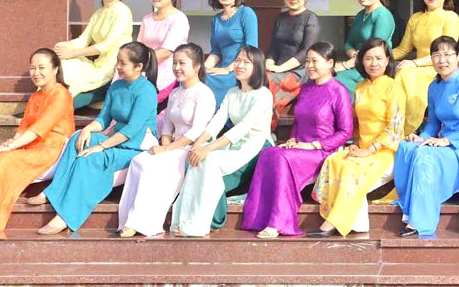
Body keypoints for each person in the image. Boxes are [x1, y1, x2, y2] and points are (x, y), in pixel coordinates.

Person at [35, 42, 159, 234]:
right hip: (115, 139)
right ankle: (53, 192)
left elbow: (133, 129)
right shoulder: (116, 86)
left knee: (90, 157)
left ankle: (65, 216)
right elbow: (104, 118)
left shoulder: (146, 90)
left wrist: (101, 147)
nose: (117, 66)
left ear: (139, 67)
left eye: (123, 63)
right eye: (118, 61)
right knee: (77, 138)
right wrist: (88, 129)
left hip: (135, 145)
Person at [0, 49, 74, 235]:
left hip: (52, 149)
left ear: (55, 69)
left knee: (3, 162)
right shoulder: (36, 96)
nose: (36, 73)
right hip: (31, 145)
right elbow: (24, 128)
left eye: (42, 67)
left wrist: (10, 148)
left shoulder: (61, 94)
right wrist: (6, 145)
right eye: (32, 68)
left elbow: (38, 129)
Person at [243, 42, 352, 238]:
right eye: (307, 61)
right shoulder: (307, 88)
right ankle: (257, 219)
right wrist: (293, 139)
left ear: (330, 63)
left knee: (282, 158)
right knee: (269, 153)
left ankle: (279, 222)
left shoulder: (339, 91)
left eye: (315, 61)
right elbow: (298, 122)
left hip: (322, 150)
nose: (309, 65)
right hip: (299, 147)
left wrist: (314, 145)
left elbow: (345, 132)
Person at [171, 45, 273, 237]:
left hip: (255, 150)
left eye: (246, 62)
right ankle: (188, 220)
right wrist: (198, 145)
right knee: (197, 160)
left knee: (208, 164)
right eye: (237, 60)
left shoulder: (263, 95)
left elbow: (242, 128)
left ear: (257, 66)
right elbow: (216, 122)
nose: (239, 65)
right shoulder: (232, 92)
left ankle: (214, 221)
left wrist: (207, 149)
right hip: (231, 147)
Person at [116, 43, 216, 238]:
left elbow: (197, 130)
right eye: (174, 63)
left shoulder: (204, 94)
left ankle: (143, 223)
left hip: (190, 149)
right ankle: (126, 219)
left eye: (182, 63)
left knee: (152, 166)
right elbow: (168, 124)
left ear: (197, 67)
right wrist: (164, 144)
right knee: (139, 161)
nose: (177, 67)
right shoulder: (175, 93)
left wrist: (168, 149)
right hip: (171, 147)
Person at [311, 38, 405, 238]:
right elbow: (355, 122)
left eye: (379, 58)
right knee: (335, 160)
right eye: (369, 58)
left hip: (385, 152)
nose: (374, 63)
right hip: (362, 148)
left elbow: (394, 128)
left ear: (388, 60)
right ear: (361, 61)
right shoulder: (361, 87)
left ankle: (334, 222)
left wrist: (368, 150)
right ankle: (357, 223)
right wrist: (354, 145)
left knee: (353, 168)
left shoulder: (393, 87)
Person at [394, 36, 459, 238]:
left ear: (458, 57)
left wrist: (448, 140)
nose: (442, 60)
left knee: (425, 158)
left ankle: (420, 222)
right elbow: (433, 123)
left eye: (447, 54)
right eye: (436, 55)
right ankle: (410, 206)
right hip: (442, 142)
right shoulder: (434, 87)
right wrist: (421, 137)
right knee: (407, 148)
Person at [392, 0, 459, 135]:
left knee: (406, 74)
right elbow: (403, 49)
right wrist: (379, 56)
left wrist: (414, 63)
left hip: (439, 67)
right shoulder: (415, 18)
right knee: (401, 73)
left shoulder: (450, 17)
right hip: (416, 68)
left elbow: (446, 52)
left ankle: (407, 129)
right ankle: (396, 127)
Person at [55, 0, 133, 108]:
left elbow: (107, 45)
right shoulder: (98, 14)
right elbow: (82, 40)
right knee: (63, 64)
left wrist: (73, 53)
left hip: (113, 70)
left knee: (67, 102)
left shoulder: (122, 12)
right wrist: (61, 47)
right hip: (97, 66)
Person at [334, 0, 396, 101]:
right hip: (357, 63)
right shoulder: (360, 15)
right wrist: (352, 54)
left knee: (336, 80)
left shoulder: (383, 15)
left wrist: (346, 65)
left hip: (371, 68)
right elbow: (349, 43)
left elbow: (375, 49)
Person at [203, 0, 259, 107]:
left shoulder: (246, 13)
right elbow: (216, 51)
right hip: (222, 68)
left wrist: (228, 69)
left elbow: (251, 48)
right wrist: (202, 68)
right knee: (195, 79)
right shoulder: (216, 19)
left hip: (241, 68)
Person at [266, 0, 320, 113]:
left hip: (300, 71)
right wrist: (269, 63)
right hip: (277, 69)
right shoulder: (280, 18)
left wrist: (280, 68)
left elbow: (305, 52)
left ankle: (269, 124)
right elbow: (273, 46)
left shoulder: (310, 18)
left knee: (268, 81)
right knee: (255, 76)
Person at [135, 0, 190, 105]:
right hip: (143, 67)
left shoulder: (179, 19)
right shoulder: (147, 19)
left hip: (165, 71)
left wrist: (138, 64)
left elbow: (166, 52)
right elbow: (138, 47)